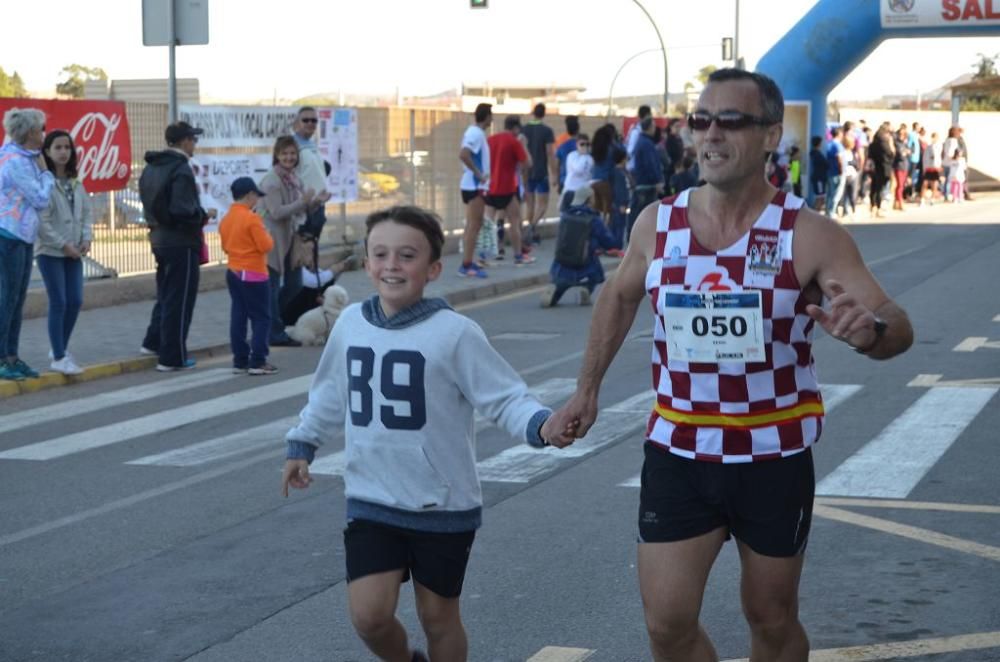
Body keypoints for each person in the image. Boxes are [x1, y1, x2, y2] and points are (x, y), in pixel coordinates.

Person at [545, 68, 914, 662]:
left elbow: (895, 324)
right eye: (701, 120)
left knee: (770, 620)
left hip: (772, 456)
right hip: (680, 451)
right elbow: (618, 296)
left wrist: (869, 332)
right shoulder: (656, 224)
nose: (710, 134)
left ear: (771, 135)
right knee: (666, 625)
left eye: (731, 121)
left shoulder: (808, 234)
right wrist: (586, 390)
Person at [281, 205, 565, 662]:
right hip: (372, 499)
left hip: (442, 505)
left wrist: (541, 426)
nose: (392, 265)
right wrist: (303, 443)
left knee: (439, 618)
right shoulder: (351, 324)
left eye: (407, 255)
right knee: (369, 617)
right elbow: (331, 392)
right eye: (381, 254)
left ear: (432, 268)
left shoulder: (454, 333)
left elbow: (504, 397)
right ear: (368, 263)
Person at [139, 121, 216, 372]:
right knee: (180, 299)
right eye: (193, 139)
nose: (195, 144)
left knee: (166, 294)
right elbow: (183, 210)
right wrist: (204, 215)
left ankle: (153, 341)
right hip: (181, 241)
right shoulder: (181, 169)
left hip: (159, 238)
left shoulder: (152, 167)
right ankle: (172, 356)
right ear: (184, 141)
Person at [259, 135, 328, 348]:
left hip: (291, 240)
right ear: (277, 156)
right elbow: (277, 212)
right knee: (270, 288)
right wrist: (303, 202)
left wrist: (315, 202)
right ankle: (273, 331)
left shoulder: (293, 178)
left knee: (295, 284)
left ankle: (272, 322)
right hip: (272, 242)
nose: (289, 157)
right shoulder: (271, 180)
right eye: (284, 154)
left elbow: (299, 209)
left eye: (292, 153)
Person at [0, 107, 53, 381]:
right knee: (7, 299)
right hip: (9, 235)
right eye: (41, 129)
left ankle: (12, 356)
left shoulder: (24, 156)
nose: (43, 133)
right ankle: (2, 359)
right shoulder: (17, 162)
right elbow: (41, 199)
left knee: (17, 299)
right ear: (31, 132)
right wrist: (47, 174)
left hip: (21, 236)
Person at [37, 129, 93, 376]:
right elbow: (42, 221)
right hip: (51, 252)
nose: (63, 152)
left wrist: (86, 239)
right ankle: (59, 357)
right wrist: (63, 244)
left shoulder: (76, 183)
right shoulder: (44, 182)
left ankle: (59, 347)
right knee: (58, 301)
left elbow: (87, 214)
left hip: (74, 252)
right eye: (57, 148)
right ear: (47, 152)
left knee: (76, 300)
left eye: (67, 148)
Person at [219, 176, 277, 376]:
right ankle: (258, 361)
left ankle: (240, 360)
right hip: (253, 271)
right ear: (250, 195)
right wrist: (266, 232)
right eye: (256, 196)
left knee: (238, 316)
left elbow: (225, 247)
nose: (257, 200)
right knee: (261, 318)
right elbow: (266, 246)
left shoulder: (226, 219)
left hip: (233, 270)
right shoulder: (252, 219)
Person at [541, 185, 618, 308]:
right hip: (585, 263)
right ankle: (586, 288)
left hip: (562, 264)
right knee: (596, 273)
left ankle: (555, 290)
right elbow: (608, 241)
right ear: (589, 200)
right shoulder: (594, 219)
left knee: (561, 282)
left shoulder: (565, 216)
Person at [485, 115, 533, 266]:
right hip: (508, 188)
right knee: (514, 223)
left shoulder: (490, 140)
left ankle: (483, 257)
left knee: (488, 223)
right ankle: (518, 256)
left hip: (490, 187)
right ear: (516, 128)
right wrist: (524, 145)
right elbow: (528, 163)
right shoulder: (514, 141)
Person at [458, 103, 492, 278]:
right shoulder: (475, 133)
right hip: (474, 185)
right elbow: (464, 154)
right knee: (474, 224)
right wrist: (479, 174)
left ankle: (467, 261)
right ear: (486, 116)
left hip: (472, 184)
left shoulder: (475, 133)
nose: (492, 119)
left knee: (472, 224)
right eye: (491, 115)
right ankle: (466, 264)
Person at [521, 103, 556, 245]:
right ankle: (532, 227)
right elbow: (550, 153)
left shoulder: (524, 129)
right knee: (543, 204)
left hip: (527, 172)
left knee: (530, 205)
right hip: (541, 172)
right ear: (544, 114)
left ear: (533, 113)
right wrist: (553, 173)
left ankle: (532, 233)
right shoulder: (547, 131)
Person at [292, 107, 330, 239]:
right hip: (303, 211)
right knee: (301, 255)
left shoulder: (312, 144)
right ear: (297, 123)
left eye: (314, 120)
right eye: (306, 120)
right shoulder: (292, 147)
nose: (310, 123)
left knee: (312, 253)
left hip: (318, 207)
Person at [628, 117, 664, 242]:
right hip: (647, 185)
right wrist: (657, 181)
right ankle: (640, 240)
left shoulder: (642, 141)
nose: (655, 129)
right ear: (649, 128)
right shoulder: (646, 143)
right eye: (653, 126)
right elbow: (651, 164)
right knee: (645, 214)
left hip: (643, 183)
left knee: (639, 212)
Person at [561, 132, 593, 211]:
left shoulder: (590, 158)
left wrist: (585, 155)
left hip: (583, 191)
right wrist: (583, 155)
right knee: (566, 213)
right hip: (570, 189)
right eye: (582, 144)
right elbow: (578, 169)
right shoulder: (572, 156)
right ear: (577, 145)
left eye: (587, 144)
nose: (585, 147)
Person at [554, 115, 580, 193]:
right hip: (578, 182)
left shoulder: (561, 143)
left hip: (564, 180)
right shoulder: (582, 145)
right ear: (578, 129)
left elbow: (557, 164)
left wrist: (558, 181)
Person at [806, 136, 827, 210]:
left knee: (821, 198)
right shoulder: (816, 154)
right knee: (820, 198)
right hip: (819, 178)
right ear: (819, 143)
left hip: (820, 178)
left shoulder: (815, 153)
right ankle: (814, 213)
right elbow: (824, 164)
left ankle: (815, 213)